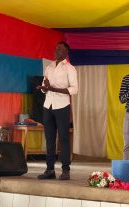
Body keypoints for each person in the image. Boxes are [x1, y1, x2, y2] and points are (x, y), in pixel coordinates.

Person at [37, 41, 78, 180]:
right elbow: (45, 85)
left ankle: (65, 170)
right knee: (49, 139)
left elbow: (74, 89)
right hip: (48, 105)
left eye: (59, 49)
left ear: (66, 52)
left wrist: (55, 89)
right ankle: (50, 170)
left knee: (64, 139)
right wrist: (44, 87)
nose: (56, 50)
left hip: (62, 106)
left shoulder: (70, 68)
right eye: (56, 48)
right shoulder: (49, 67)